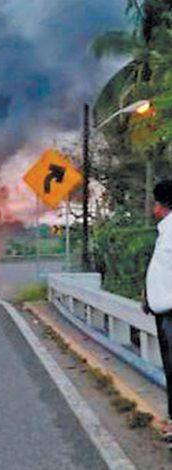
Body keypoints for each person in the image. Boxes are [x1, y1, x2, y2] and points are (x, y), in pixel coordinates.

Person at [144, 179, 172, 447]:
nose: (153, 208)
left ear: (162, 205)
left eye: (155, 203)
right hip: (163, 313)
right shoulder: (165, 230)